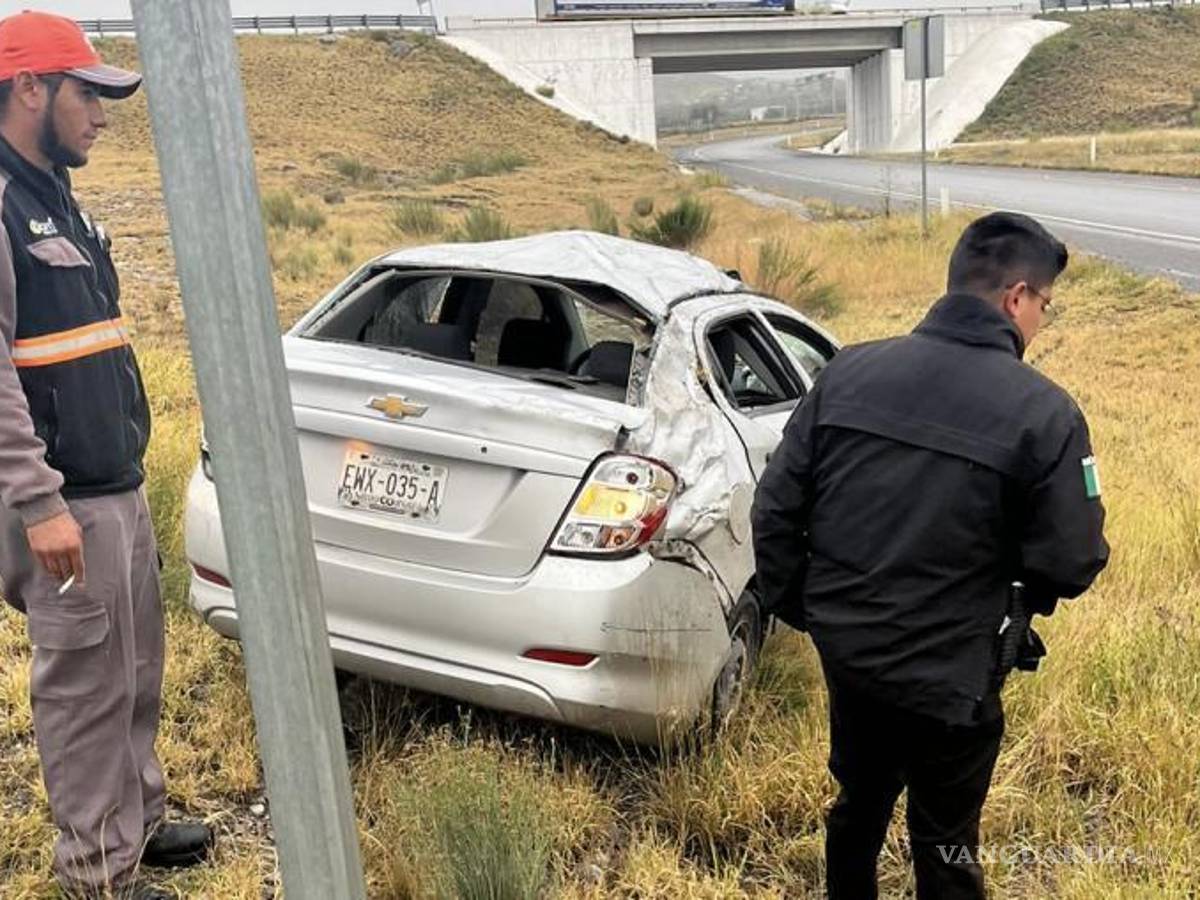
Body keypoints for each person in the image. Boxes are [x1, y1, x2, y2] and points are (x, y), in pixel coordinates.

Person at [752, 212, 1109, 899]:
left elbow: (773, 512)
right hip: (956, 675)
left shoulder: (846, 372)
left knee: (857, 804)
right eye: (1045, 306)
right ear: (1016, 298)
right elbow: (1072, 561)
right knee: (946, 841)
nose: (1041, 321)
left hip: (850, 657)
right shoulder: (1046, 413)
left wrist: (809, 610)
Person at [0, 11, 213, 898]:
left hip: (111, 486)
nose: (102, 114)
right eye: (88, 93)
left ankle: (137, 821)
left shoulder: (58, 198)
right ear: (27, 88)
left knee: (133, 667)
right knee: (85, 688)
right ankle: (96, 873)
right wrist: (39, 501)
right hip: (63, 500)